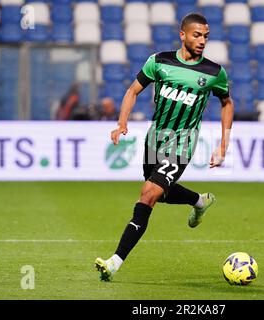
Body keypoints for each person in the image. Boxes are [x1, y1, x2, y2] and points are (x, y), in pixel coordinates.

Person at [95, 13, 235, 281]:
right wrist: (121, 123)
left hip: (181, 144)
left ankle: (114, 261)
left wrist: (224, 144)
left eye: (206, 36)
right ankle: (199, 201)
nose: (202, 40)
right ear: (182, 35)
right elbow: (132, 91)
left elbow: (227, 103)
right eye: (197, 35)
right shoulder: (159, 62)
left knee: (148, 195)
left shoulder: (214, 72)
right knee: (160, 192)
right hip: (154, 139)